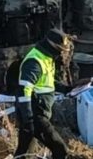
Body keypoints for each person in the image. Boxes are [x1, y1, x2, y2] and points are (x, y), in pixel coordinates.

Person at [15, 29, 73, 159]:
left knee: (24, 154)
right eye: (60, 50)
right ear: (53, 47)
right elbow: (24, 90)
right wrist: (28, 118)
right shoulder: (35, 61)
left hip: (36, 114)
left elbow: (47, 82)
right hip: (35, 115)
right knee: (60, 150)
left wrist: (66, 89)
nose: (61, 53)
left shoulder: (46, 57)